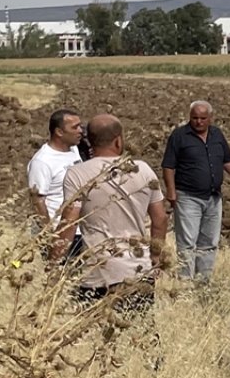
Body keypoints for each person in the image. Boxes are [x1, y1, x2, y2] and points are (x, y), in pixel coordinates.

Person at [55, 114, 167, 313]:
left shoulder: (78, 174)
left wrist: (54, 261)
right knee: (140, 333)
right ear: (119, 140)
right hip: (138, 268)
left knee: (94, 334)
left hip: (97, 272)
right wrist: (156, 258)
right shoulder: (143, 170)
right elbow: (160, 219)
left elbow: (69, 222)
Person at [161, 100, 230, 281]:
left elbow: (227, 161)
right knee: (187, 243)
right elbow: (168, 166)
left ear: (210, 118)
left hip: (213, 196)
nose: (199, 122)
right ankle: (185, 282)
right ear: (189, 117)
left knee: (209, 242)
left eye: (203, 118)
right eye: (195, 118)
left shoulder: (217, 135)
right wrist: (171, 191)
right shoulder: (179, 136)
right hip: (188, 197)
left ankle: (203, 280)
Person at [28, 109, 84, 261]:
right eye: (75, 127)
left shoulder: (74, 150)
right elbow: (37, 202)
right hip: (61, 235)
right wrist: (50, 237)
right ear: (59, 132)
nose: (80, 131)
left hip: (80, 231)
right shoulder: (42, 162)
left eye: (80, 126)